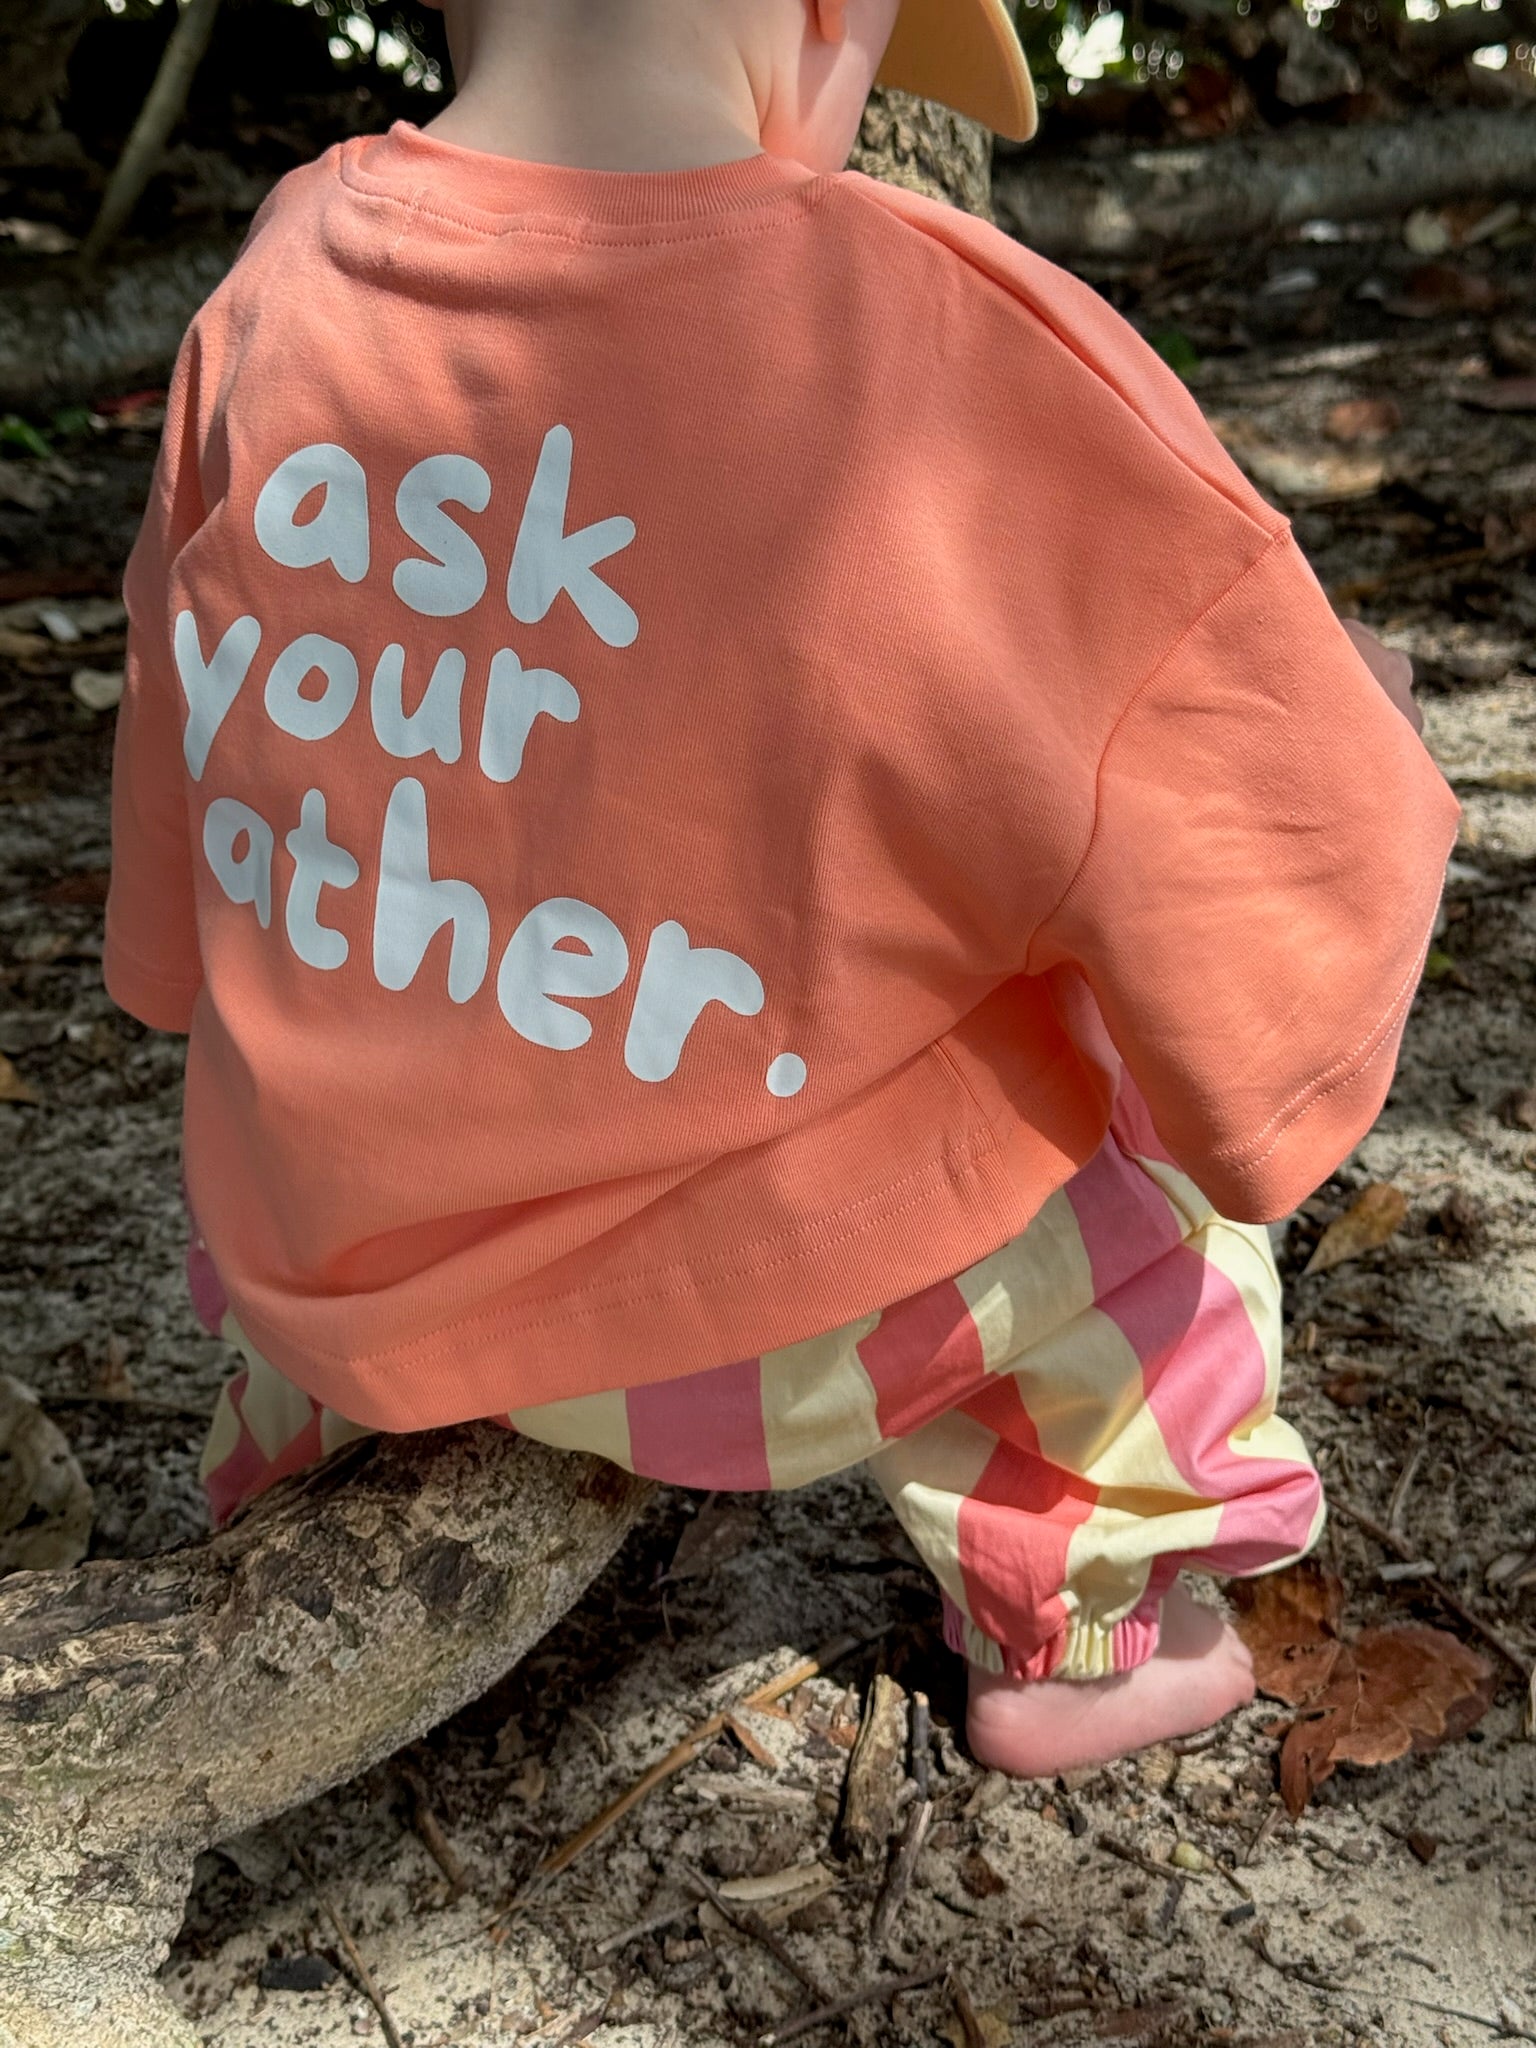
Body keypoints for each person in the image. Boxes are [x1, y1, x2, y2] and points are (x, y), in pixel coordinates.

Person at [104, 0, 1459, 1778]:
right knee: (1128, 1166)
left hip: (348, 1281)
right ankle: (1087, 1632)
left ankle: (294, 1480)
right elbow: (1259, 825)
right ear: (827, 16)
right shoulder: (949, 340)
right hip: (772, 1322)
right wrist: (1365, 731)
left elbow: (187, 769)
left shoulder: (273, 292)